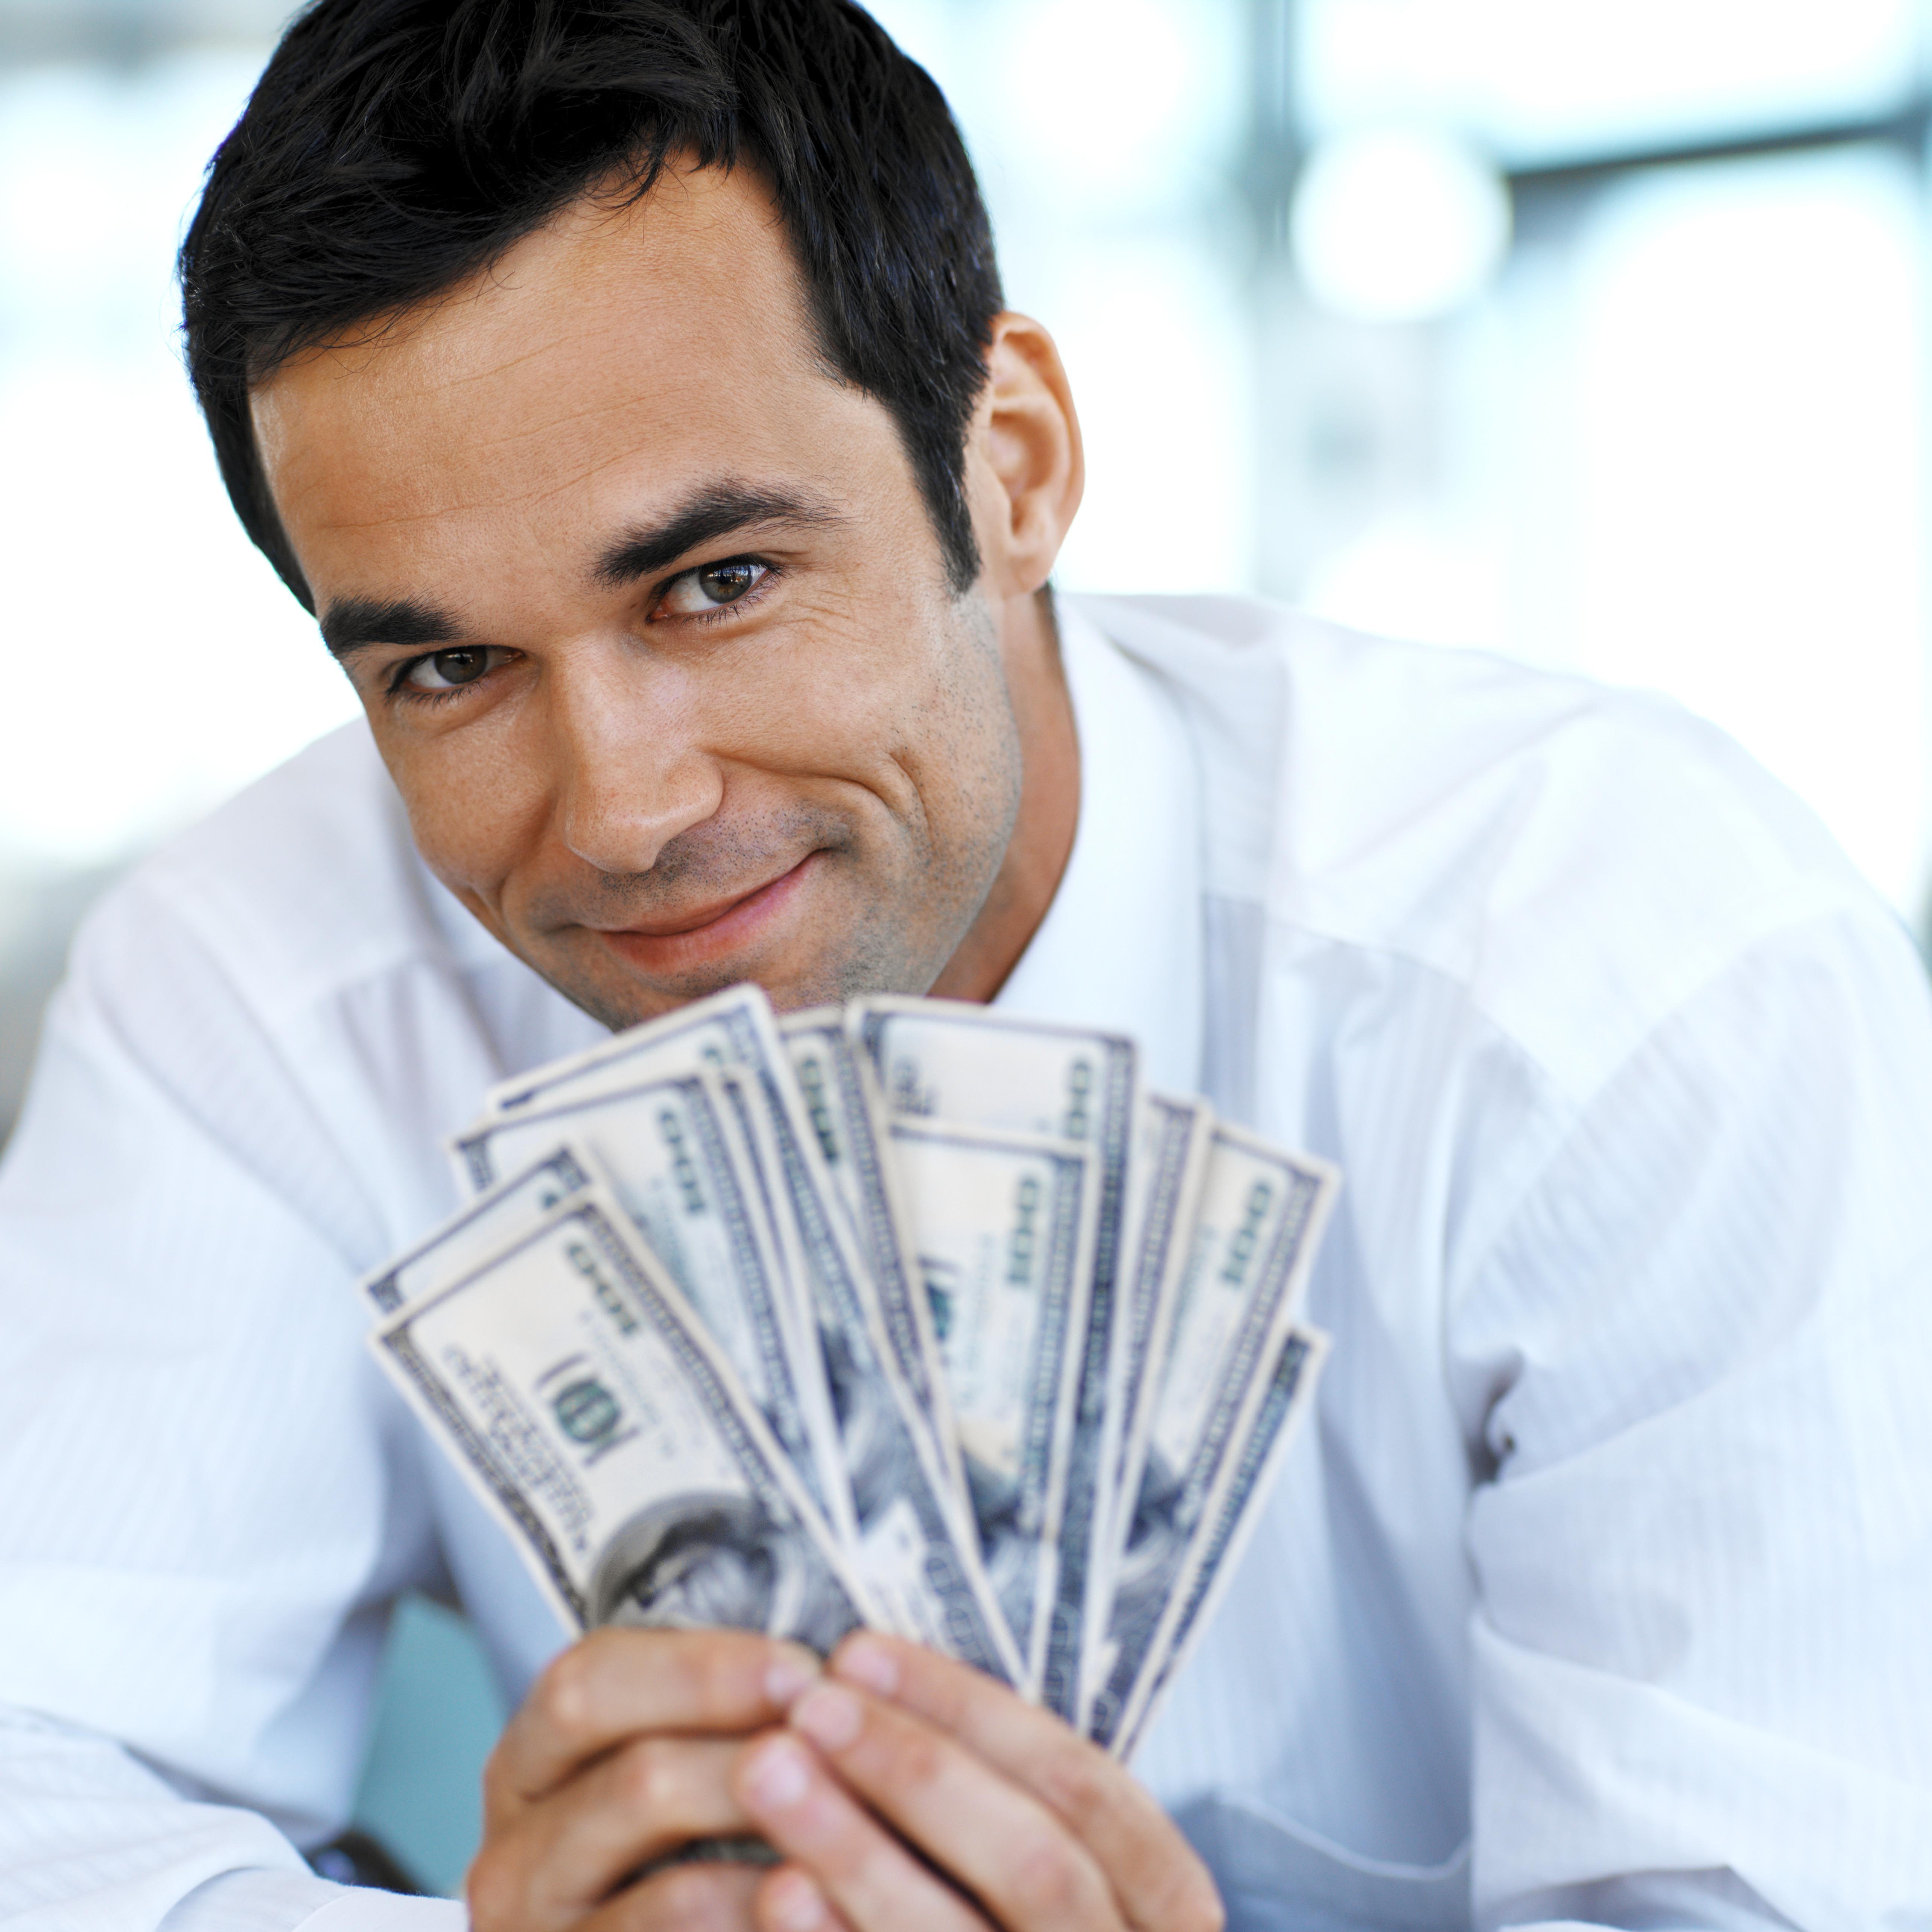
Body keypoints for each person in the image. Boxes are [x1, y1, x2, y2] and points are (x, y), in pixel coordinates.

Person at [1, 1, 1928, 1927]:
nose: (623, 813)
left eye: (720, 582)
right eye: (446, 669)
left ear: (1009, 467)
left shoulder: (1626, 970)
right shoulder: (258, 982)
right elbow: (38, 1798)